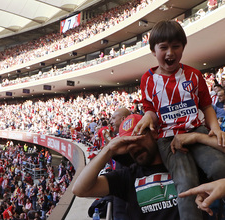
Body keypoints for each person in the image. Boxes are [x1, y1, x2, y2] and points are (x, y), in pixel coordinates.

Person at [132, 20, 225, 220]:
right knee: (186, 181)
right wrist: (148, 116)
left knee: (219, 167)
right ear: (153, 50)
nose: (170, 52)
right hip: (168, 140)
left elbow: (206, 105)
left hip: (197, 131)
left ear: (183, 47)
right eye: (163, 47)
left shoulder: (194, 74)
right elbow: (150, 109)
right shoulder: (147, 80)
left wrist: (215, 128)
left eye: (176, 46)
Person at [73, 114, 180, 219]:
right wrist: (109, 150)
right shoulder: (128, 176)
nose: (133, 146)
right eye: (127, 142)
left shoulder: (182, 163)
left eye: (138, 137)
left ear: (153, 133)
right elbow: (80, 189)